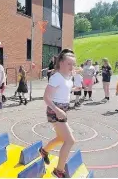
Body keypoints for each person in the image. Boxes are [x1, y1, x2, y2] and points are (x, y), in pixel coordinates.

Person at [39, 49, 76, 178]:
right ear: (60, 63)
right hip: (55, 110)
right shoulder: (56, 77)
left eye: (73, 64)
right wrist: (57, 110)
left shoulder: (67, 76)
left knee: (61, 138)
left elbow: (64, 91)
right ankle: (59, 170)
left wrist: (77, 87)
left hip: (62, 109)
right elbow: (46, 98)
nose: (72, 67)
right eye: (69, 64)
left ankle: (43, 151)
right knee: (70, 141)